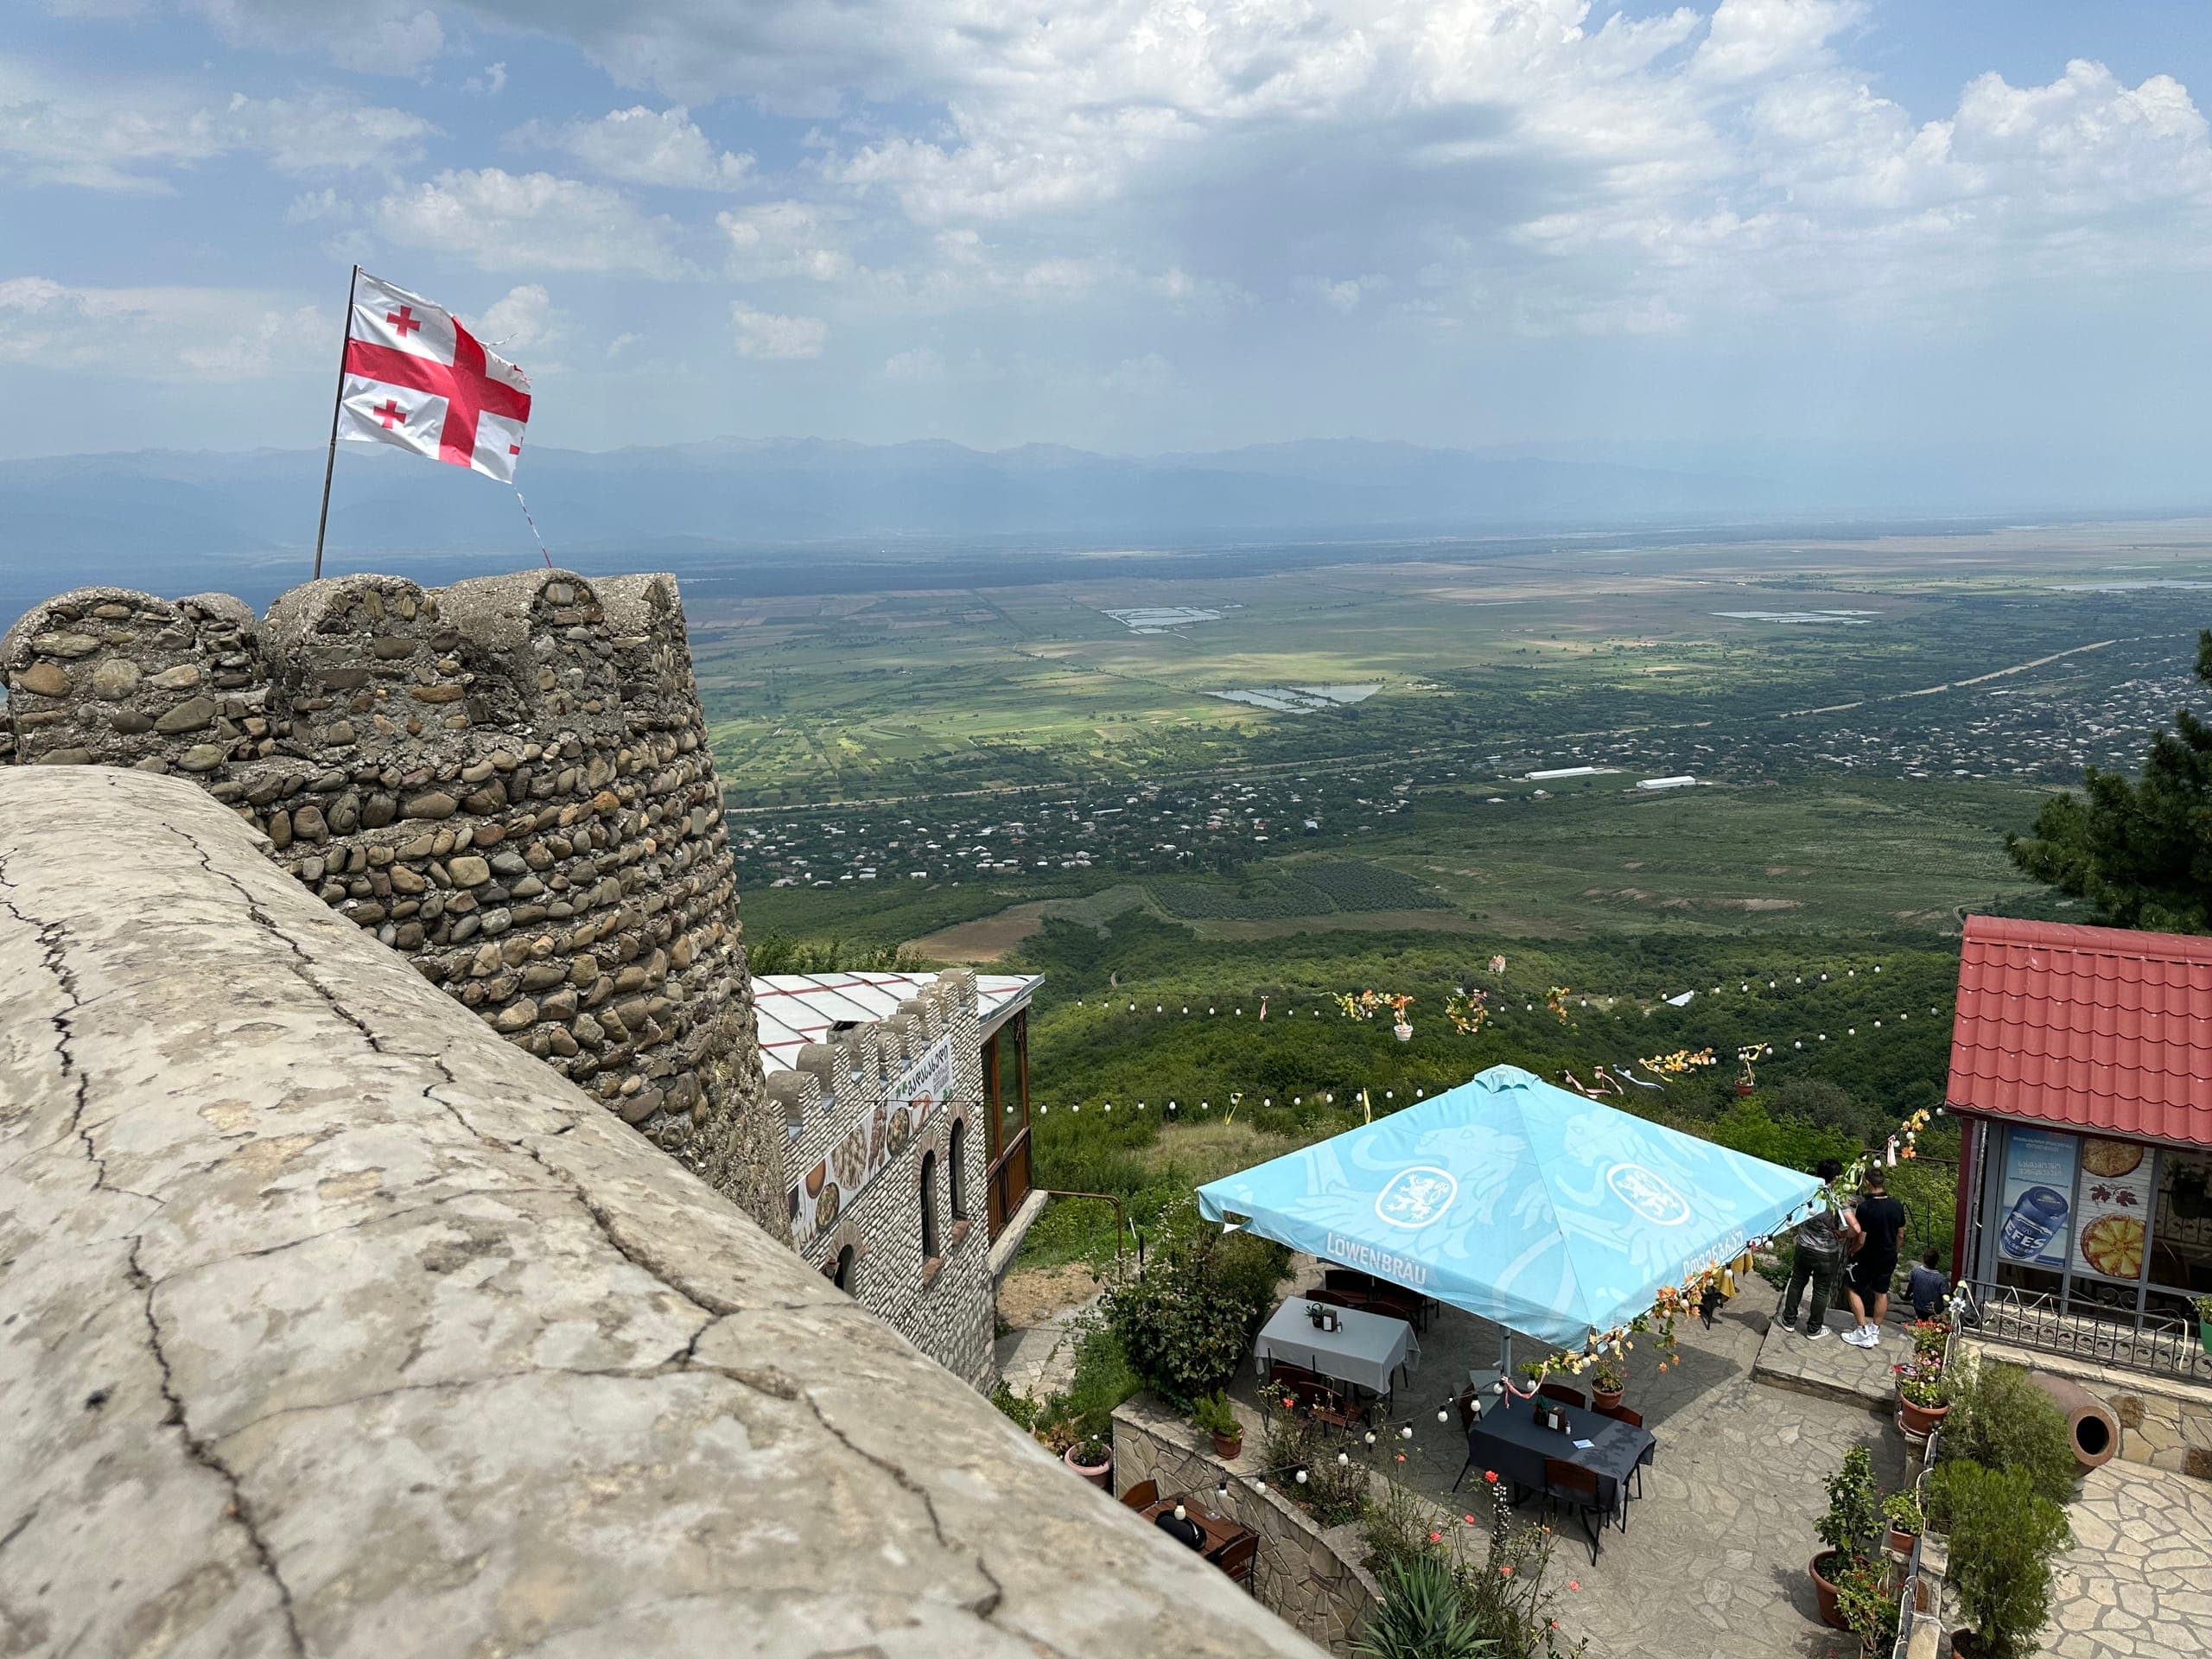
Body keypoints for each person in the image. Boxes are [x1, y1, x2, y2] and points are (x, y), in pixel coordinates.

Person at [1841, 1166, 1908, 1348]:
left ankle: (1862, 1330)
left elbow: (1861, 1238)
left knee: (1852, 1288)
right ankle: (1875, 1330)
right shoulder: (1896, 1204)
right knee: (1881, 1292)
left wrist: (1853, 1251)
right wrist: (1895, 1250)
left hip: (1868, 1256)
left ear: (1868, 1183)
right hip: (1888, 1255)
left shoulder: (1866, 1207)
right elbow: (1900, 1233)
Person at [1780, 1158, 1847, 1340]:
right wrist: (1843, 1235)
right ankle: (1813, 1329)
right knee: (1821, 1290)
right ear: (1836, 1178)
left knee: (1797, 1281)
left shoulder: (1807, 1192)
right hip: (1826, 1252)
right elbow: (1854, 1228)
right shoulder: (1837, 1198)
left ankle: (1788, 1321)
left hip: (1804, 1246)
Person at [1904, 1249, 1950, 1321]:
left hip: (1917, 1306)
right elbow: (1946, 1296)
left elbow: (1910, 1286)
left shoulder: (1916, 1271)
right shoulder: (1941, 1279)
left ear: (1923, 1259)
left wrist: (1907, 1296)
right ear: (1937, 1261)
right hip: (1933, 1310)